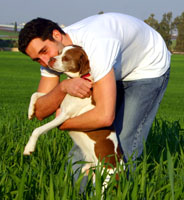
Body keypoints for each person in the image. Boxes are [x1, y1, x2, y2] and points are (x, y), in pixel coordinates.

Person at [18, 12, 170, 165]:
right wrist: (63, 87)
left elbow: (104, 117)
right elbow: (40, 111)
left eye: (44, 51)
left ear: (56, 35)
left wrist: (63, 122)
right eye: (37, 59)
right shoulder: (53, 58)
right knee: (86, 142)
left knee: (122, 144)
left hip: (147, 67)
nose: (44, 60)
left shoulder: (96, 44)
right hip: (110, 67)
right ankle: (76, 189)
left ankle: (120, 186)